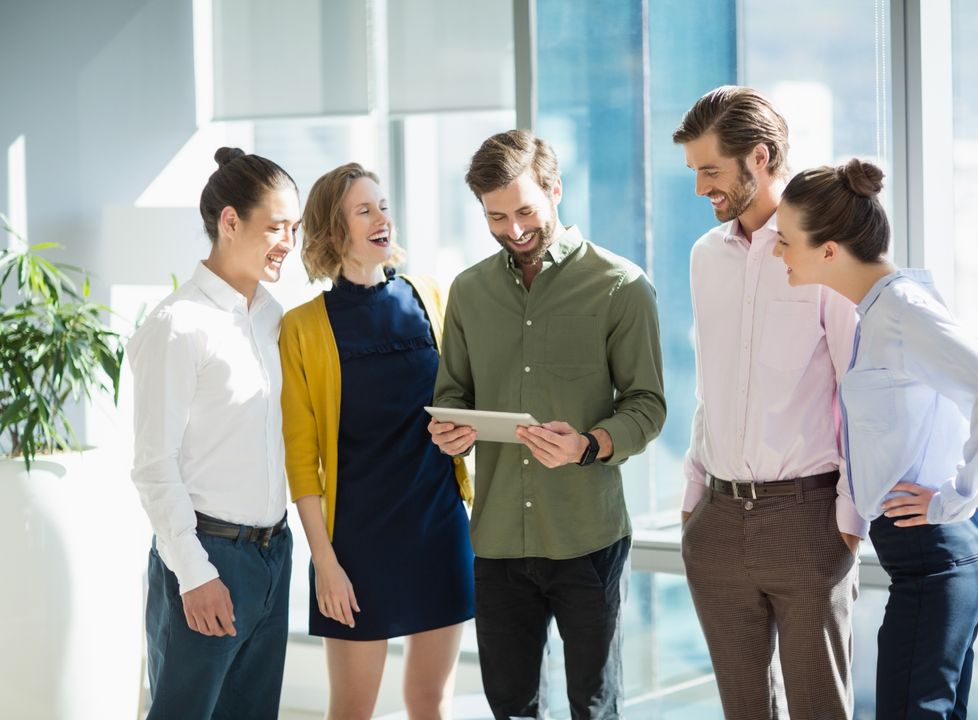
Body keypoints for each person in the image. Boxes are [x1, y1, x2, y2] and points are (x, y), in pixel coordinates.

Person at [428, 129, 666, 719]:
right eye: (496, 216)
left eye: (526, 210)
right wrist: (450, 436)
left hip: (587, 538)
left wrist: (589, 444)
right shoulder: (469, 291)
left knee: (594, 704)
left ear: (556, 189)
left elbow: (647, 404)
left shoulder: (620, 286)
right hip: (499, 540)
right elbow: (452, 395)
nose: (513, 229)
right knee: (510, 706)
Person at [774, 158, 978, 719]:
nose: (778, 252)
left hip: (937, 557)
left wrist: (957, 497)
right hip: (936, 558)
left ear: (829, 249)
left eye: (786, 240)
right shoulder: (884, 309)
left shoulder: (901, 311)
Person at [672, 86, 865, 719]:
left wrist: (848, 516)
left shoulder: (825, 251)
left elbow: (857, 386)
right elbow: (713, 383)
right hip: (719, 522)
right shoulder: (705, 257)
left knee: (819, 710)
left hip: (808, 520)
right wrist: (694, 498)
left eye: (711, 171)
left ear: (759, 157)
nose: (701, 187)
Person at [280, 162, 474, 719]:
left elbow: (462, 403)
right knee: (353, 709)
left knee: (429, 700)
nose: (381, 218)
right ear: (333, 231)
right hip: (356, 546)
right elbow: (301, 457)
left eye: (383, 206)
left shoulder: (431, 296)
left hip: (438, 528)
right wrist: (326, 562)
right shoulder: (302, 327)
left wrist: (462, 435)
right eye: (364, 210)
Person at [128, 147, 300, 719]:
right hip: (206, 557)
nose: (288, 243)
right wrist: (195, 574)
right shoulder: (177, 326)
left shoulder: (275, 318)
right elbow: (155, 466)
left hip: (274, 554)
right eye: (276, 227)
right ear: (230, 222)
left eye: (294, 228)